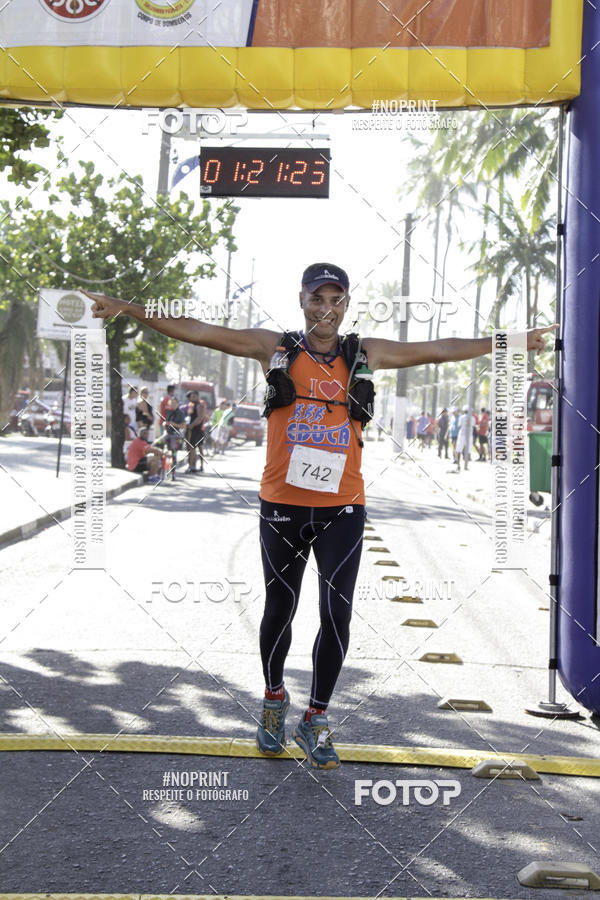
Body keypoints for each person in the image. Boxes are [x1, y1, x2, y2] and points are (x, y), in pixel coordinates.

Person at [83, 265, 555, 771]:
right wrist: (126, 308)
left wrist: (512, 341)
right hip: (282, 505)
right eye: (317, 298)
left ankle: (316, 716)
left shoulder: (364, 354)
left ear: (346, 304)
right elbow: (198, 330)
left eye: (336, 299)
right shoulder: (275, 347)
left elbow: (439, 348)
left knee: (337, 614)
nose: (326, 309)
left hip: (342, 508)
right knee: (279, 609)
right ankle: (273, 699)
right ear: (302, 300)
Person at [185, 390, 207, 474]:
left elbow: (200, 418)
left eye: (194, 396)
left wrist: (192, 425)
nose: (192, 398)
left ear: (197, 396)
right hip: (195, 429)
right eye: (191, 397)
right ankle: (194, 465)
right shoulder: (193, 405)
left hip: (197, 430)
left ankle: (192, 466)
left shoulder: (200, 405)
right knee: (195, 448)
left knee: (193, 448)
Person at [455, 406, 477, 471]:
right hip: (469, 435)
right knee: (468, 450)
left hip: (462, 434)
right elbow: (473, 426)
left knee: (459, 449)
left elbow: (459, 426)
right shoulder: (473, 418)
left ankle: (458, 465)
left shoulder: (461, 417)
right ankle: (466, 465)